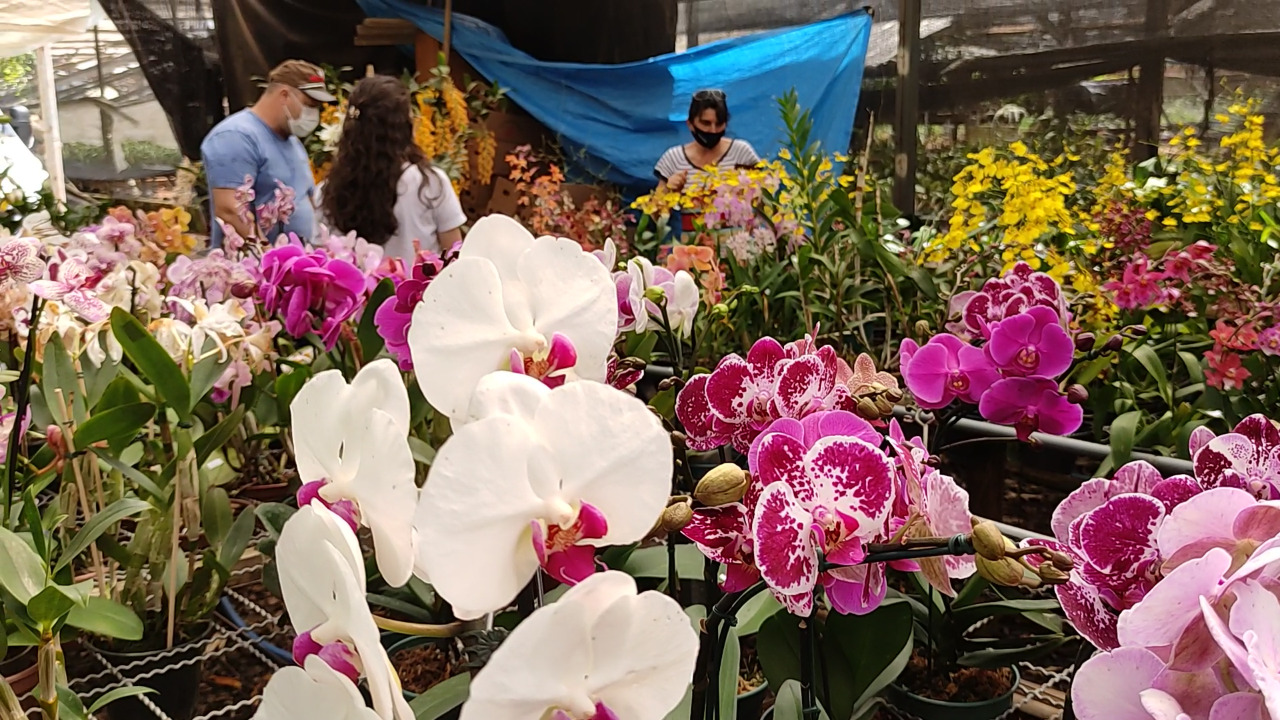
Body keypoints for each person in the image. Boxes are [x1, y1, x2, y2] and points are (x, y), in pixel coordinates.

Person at [317, 75, 466, 262]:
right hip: (420, 291)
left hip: (357, 291)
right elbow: (454, 255)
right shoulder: (431, 184)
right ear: (404, 128)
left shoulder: (326, 191)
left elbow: (321, 259)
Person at [200, 59, 334, 246]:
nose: (314, 113)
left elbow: (309, 199)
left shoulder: (293, 142)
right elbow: (230, 210)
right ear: (284, 95)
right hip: (256, 270)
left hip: (298, 265)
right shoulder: (236, 136)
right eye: (309, 104)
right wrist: (268, 259)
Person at [654, 89, 761, 193]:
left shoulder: (741, 153)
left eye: (719, 124)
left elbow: (763, 201)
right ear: (690, 124)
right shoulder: (673, 158)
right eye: (706, 123)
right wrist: (667, 190)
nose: (713, 131)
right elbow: (654, 208)